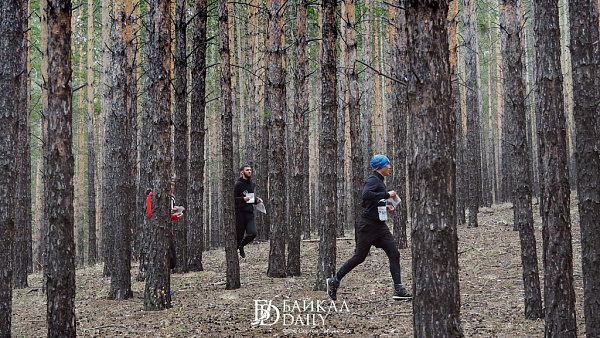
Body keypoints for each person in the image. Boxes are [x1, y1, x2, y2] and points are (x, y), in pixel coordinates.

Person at [327, 155, 412, 301]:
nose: (390, 166)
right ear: (381, 167)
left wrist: (385, 205)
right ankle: (334, 281)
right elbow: (365, 195)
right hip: (368, 226)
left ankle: (399, 288)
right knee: (360, 257)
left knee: (394, 253)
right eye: (387, 164)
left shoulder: (379, 181)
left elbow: (367, 203)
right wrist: (387, 194)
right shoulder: (373, 180)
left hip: (380, 226)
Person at [234, 165, 262, 258]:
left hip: (249, 213)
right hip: (239, 214)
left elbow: (251, 198)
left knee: (253, 233)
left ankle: (242, 245)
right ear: (242, 172)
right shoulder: (238, 184)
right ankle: (234, 257)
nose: (249, 171)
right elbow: (232, 199)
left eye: (250, 170)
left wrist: (256, 200)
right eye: (247, 170)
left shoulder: (252, 184)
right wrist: (243, 199)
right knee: (239, 236)